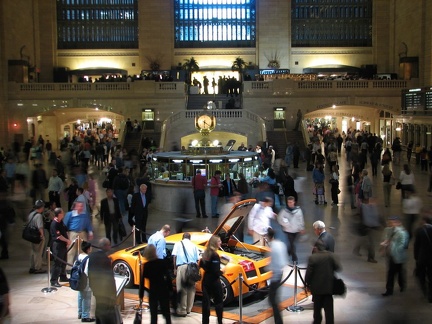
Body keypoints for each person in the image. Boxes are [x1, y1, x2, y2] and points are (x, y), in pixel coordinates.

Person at [305, 239, 342, 324]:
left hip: (317, 289)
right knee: (329, 312)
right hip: (328, 288)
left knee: (317, 311)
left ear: (316, 247)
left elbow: (309, 274)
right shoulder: (331, 256)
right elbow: (338, 268)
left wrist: (307, 284)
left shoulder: (312, 257)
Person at [140, 244, 172, 324]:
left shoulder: (147, 265)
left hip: (153, 291)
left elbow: (142, 281)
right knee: (166, 313)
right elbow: (168, 277)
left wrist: (141, 294)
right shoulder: (162, 262)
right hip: (163, 289)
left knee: (153, 314)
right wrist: (170, 289)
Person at [88, 238, 117, 323]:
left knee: (99, 306)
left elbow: (90, 272)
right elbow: (109, 277)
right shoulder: (105, 258)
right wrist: (113, 291)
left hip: (96, 288)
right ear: (104, 246)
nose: (110, 246)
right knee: (105, 309)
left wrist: (92, 286)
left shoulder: (92, 256)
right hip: (105, 290)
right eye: (109, 245)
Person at [172, 232, 199, 317]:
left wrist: (175, 268)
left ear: (182, 237)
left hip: (182, 267)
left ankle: (182, 310)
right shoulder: (194, 245)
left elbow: (174, 256)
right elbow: (198, 259)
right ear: (189, 238)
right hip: (192, 268)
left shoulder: (178, 244)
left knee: (182, 288)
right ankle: (188, 309)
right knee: (191, 289)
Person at [381, 216, 409, 297]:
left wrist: (391, 247)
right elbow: (386, 238)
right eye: (388, 222)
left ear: (397, 222)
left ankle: (402, 285)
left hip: (398, 256)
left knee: (398, 272)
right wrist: (385, 244)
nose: (389, 224)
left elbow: (402, 245)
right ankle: (389, 290)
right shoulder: (389, 230)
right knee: (391, 273)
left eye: (391, 222)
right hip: (391, 256)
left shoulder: (402, 232)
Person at [199, 235, 224, 324]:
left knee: (206, 303)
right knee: (218, 302)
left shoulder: (205, 253)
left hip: (206, 281)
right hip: (214, 281)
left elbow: (201, 264)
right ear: (215, 243)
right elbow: (216, 271)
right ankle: (220, 321)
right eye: (219, 241)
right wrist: (223, 271)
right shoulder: (215, 255)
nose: (220, 243)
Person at [267, 227, 288, 324]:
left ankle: (278, 321)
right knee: (274, 297)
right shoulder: (281, 244)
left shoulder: (272, 248)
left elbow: (272, 263)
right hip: (281, 272)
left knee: (272, 299)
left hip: (276, 275)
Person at [63, 202, 94, 271]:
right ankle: (69, 267)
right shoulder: (70, 214)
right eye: (79, 206)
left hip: (82, 233)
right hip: (73, 233)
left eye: (82, 206)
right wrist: (65, 234)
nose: (81, 208)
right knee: (71, 251)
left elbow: (88, 224)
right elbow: (65, 224)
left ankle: (83, 265)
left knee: (83, 250)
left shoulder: (84, 215)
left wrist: (90, 232)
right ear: (75, 207)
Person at [277, 196, 305, 263]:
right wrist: (285, 224)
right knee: (292, 244)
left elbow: (300, 219)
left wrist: (302, 228)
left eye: (291, 202)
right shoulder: (284, 211)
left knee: (292, 244)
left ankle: (287, 253)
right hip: (288, 230)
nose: (290, 203)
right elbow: (279, 219)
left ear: (294, 202)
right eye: (288, 202)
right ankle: (294, 258)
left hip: (296, 230)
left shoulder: (298, 210)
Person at [352, 199, 380, 263]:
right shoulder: (365, 208)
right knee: (370, 243)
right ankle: (370, 257)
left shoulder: (370, 208)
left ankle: (357, 249)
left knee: (363, 240)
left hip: (367, 228)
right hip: (366, 228)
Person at [50, 208, 70, 287]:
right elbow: (59, 236)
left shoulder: (61, 222)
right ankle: (54, 280)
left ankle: (63, 276)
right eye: (62, 212)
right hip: (58, 245)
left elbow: (65, 230)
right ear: (59, 214)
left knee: (64, 261)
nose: (64, 214)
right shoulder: (54, 224)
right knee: (57, 263)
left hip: (63, 245)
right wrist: (67, 240)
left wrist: (67, 240)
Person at [413, 216, 432, 303]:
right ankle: (430, 296)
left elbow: (416, 246)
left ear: (424, 221)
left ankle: (424, 289)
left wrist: (416, 257)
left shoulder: (420, 231)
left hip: (422, 257)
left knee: (421, 274)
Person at [77, 241, 95, 322]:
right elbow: (87, 272)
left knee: (80, 296)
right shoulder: (87, 258)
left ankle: (80, 313)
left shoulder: (79, 256)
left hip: (79, 279)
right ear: (88, 249)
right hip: (85, 281)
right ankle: (85, 316)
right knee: (87, 298)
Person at [28, 200, 47, 274]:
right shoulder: (38, 215)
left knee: (33, 251)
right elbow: (40, 227)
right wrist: (42, 236)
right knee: (38, 252)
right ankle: (37, 268)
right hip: (37, 236)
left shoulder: (31, 214)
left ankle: (32, 267)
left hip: (31, 236)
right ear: (41, 207)